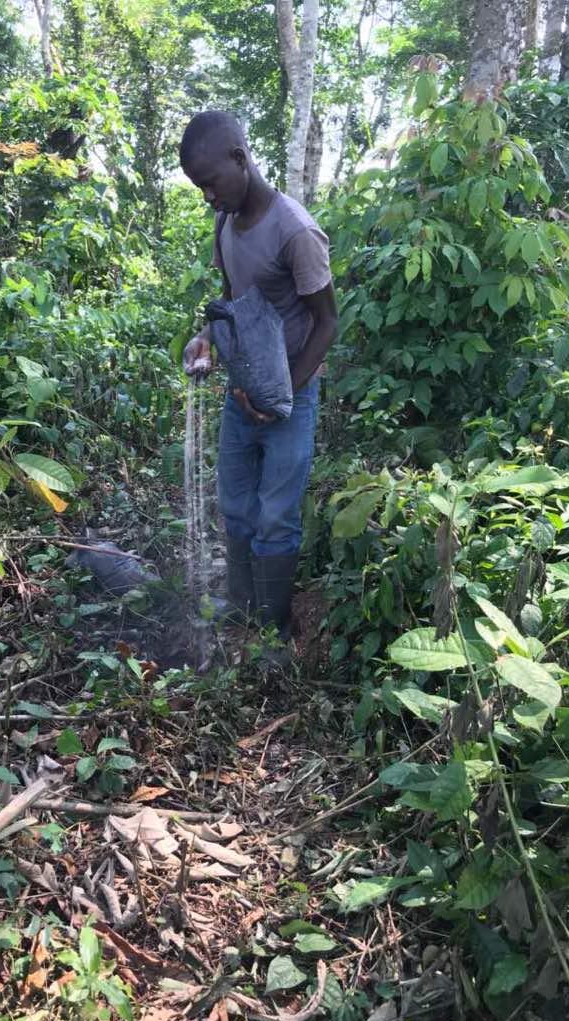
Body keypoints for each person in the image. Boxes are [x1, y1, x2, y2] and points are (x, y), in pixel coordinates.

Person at [180, 110, 337, 637]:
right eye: (200, 188)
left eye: (210, 183)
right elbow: (231, 300)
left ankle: (270, 629)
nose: (208, 197)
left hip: (291, 394)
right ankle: (241, 609)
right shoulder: (225, 221)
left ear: (240, 160)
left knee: (276, 515)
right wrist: (205, 340)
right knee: (234, 504)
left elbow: (327, 322)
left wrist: (283, 397)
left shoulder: (296, 232)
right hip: (241, 387)